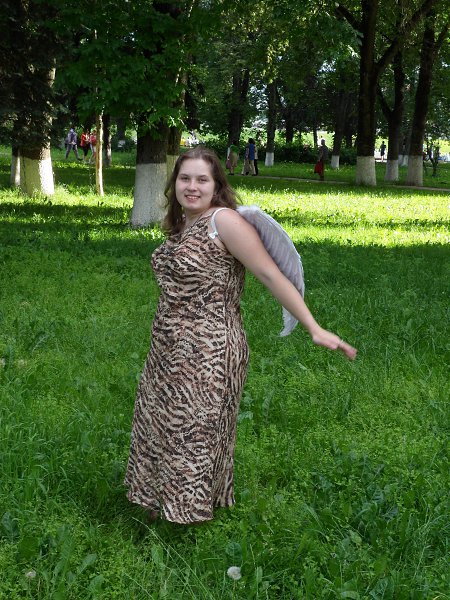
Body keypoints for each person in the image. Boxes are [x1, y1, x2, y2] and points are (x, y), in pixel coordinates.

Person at [124, 147, 357, 525]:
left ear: (217, 185)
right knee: (158, 421)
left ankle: (187, 511)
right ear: (175, 183)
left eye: (202, 179)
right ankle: (158, 498)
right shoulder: (182, 224)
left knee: (192, 430)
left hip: (209, 348)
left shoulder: (225, 222)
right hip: (167, 344)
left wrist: (313, 328)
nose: (192, 186)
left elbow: (269, 274)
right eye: (185, 178)